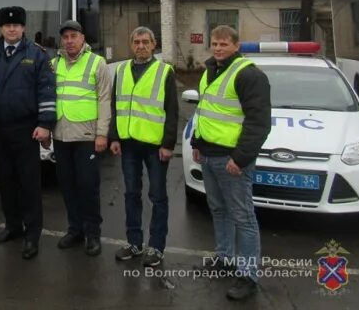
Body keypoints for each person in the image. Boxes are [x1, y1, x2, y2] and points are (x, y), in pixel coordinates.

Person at [190, 25, 271, 302]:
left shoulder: (249, 75)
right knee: (218, 209)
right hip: (210, 154)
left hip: (231, 159)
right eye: (214, 43)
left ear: (237, 45)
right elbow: (204, 111)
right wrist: (196, 145)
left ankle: (248, 275)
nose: (218, 48)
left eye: (224, 44)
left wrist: (240, 158)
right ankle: (224, 258)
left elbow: (258, 124)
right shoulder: (211, 69)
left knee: (243, 217)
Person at [0, 6, 56, 260]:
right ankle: (12, 227)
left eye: (17, 25)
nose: (12, 29)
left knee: (29, 184)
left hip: (27, 129)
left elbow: (46, 90)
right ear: (0, 28)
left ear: (23, 27)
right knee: (6, 181)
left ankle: (32, 235)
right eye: (7, 25)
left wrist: (45, 124)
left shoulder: (36, 54)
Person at [108, 26, 178, 268]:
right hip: (128, 144)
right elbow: (115, 105)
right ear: (131, 45)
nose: (140, 46)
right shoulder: (121, 70)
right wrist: (114, 137)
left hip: (155, 146)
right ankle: (134, 243)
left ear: (153, 44)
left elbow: (172, 112)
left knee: (157, 196)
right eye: (136, 41)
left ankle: (156, 247)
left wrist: (169, 144)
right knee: (131, 194)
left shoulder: (164, 71)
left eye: (145, 42)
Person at [52, 20, 111, 257]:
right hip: (61, 134)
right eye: (65, 37)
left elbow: (105, 100)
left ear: (83, 38)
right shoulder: (53, 64)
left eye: (73, 36)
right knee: (67, 186)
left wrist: (102, 134)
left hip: (87, 135)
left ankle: (92, 233)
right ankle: (74, 230)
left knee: (88, 187)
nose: (69, 41)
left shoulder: (97, 63)